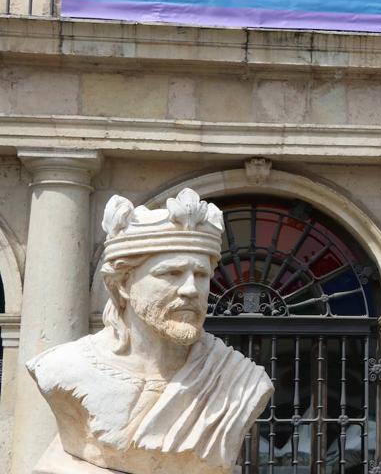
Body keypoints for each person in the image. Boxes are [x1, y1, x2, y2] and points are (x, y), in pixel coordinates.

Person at [26, 189, 273, 474]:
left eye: (201, 275)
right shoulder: (63, 368)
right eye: (171, 273)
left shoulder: (239, 380)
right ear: (122, 285)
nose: (191, 289)